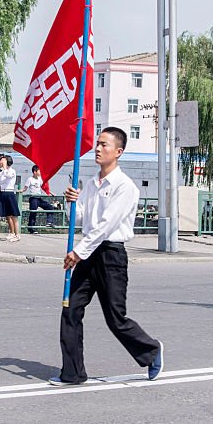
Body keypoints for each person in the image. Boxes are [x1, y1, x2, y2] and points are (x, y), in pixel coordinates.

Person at [51, 127, 163, 386]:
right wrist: (71, 202)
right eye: (97, 144)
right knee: (70, 309)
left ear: (119, 151)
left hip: (110, 255)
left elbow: (106, 225)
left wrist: (78, 251)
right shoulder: (92, 183)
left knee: (116, 318)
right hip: (89, 254)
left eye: (104, 145)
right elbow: (82, 220)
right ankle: (73, 373)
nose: (98, 149)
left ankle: (152, 351)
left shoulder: (125, 187)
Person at [22, 165, 57, 234]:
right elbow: (25, 188)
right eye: (39, 171)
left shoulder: (40, 179)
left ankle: (49, 222)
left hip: (39, 198)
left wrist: (51, 193)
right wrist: (21, 191)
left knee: (50, 207)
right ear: (35, 172)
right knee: (33, 213)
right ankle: (31, 229)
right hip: (33, 199)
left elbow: (43, 187)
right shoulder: (30, 179)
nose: (40, 172)